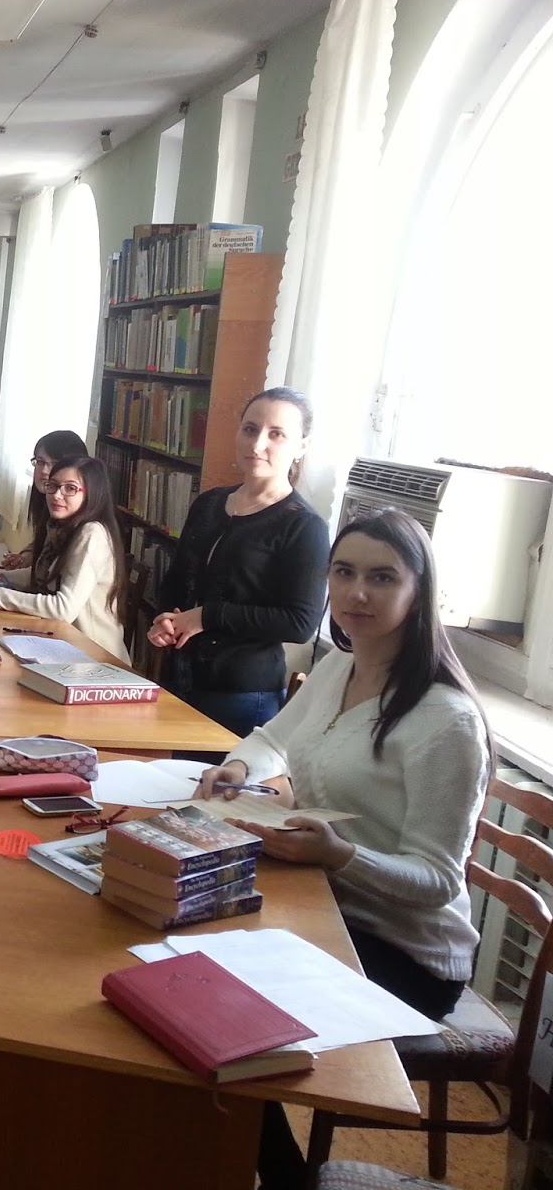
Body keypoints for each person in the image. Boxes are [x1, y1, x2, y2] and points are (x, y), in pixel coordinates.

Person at [195, 508, 491, 1186]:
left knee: (225, 1016)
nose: (357, 593)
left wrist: (338, 855)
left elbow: (438, 880)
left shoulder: (447, 721)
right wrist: (237, 768)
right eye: (344, 572)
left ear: (420, 590)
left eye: (382, 577)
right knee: (193, 954)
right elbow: (275, 737)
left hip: (407, 953)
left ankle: (284, 1179)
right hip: (326, 906)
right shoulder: (340, 666)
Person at [148, 387, 329, 738]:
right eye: (250, 429)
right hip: (178, 678)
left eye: (276, 434)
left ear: (301, 446)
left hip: (241, 696)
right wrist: (166, 619)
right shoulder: (209, 503)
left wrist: (206, 616)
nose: (257, 444)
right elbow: (177, 579)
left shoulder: (304, 526)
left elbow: (300, 623)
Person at [0, 455, 131, 663]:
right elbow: (42, 575)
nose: (57, 495)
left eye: (70, 488)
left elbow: (63, 608)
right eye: (52, 486)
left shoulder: (92, 533)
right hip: (61, 644)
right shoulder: (61, 526)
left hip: (95, 658)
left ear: (92, 493)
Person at [1, 429, 89, 570]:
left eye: (54, 463)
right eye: (40, 462)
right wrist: (28, 554)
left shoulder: (84, 524)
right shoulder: (45, 498)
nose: (44, 471)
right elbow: (45, 542)